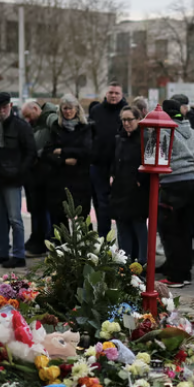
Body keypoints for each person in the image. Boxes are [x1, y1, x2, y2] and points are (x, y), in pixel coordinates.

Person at [0, 91, 36, 268]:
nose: (1, 111)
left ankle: (18, 255)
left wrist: (19, 172)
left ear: (10, 106)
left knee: (15, 219)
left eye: (4, 107)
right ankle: (2, 252)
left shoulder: (20, 126)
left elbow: (30, 152)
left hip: (12, 179)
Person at [157, 99, 194, 287]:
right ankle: (185, 273)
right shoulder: (189, 129)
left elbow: (157, 151)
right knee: (185, 230)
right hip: (190, 181)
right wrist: (189, 160)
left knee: (170, 231)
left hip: (171, 183)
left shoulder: (165, 130)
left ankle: (175, 276)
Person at [44, 94, 93, 231]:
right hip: (60, 178)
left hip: (80, 178)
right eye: (65, 108)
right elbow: (48, 153)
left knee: (83, 217)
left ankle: (86, 242)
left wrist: (62, 150)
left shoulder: (85, 128)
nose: (68, 111)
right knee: (60, 216)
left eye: (70, 108)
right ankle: (63, 243)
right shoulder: (56, 127)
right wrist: (64, 160)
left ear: (77, 109)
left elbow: (87, 151)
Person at [110, 104, 149, 265]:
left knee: (138, 224)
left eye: (129, 120)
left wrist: (140, 180)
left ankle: (143, 261)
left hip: (136, 189)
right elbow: (115, 160)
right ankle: (125, 261)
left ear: (138, 119)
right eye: (123, 120)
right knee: (122, 225)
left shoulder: (144, 138)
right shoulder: (120, 138)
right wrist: (112, 175)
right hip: (120, 187)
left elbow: (147, 163)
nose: (126, 123)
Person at [21, 99, 60, 253]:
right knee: (36, 208)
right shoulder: (36, 124)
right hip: (35, 172)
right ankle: (37, 237)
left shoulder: (50, 119)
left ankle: (46, 240)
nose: (27, 119)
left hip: (46, 171)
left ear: (36, 109)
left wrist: (40, 154)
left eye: (28, 115)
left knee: (44, 209)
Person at [90, 83, 127, 239]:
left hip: (121, 165)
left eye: (117, 93)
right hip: (99, 163)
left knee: (120, 204)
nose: (113, 96)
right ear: (106, 94)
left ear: (122, 94)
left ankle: (124, 240)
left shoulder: (127, 111)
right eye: (111, 92)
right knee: (101, 203)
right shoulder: (96, 111)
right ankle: (103, 237)